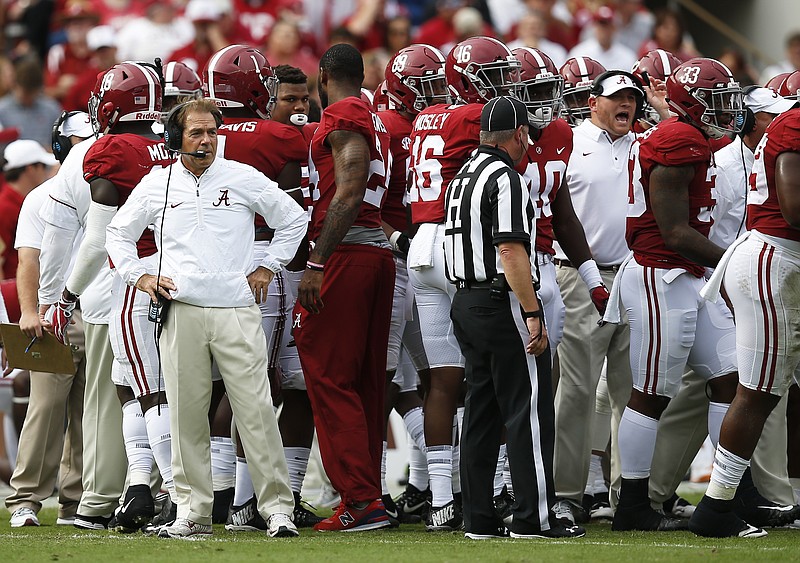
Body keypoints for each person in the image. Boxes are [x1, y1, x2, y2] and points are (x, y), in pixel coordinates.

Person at [105, 97, 306, 539]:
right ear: (176, 139)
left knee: (255, 410)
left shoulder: (241, 176)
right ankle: (190, 512)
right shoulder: (157, 183)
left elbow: (293, 218)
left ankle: (277, 510)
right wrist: (138, 275)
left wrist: (268, 265)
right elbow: (118, 232)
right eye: (196, 133)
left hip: (236, 307)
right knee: (185, 414)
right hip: (182, 309)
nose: (205, 141)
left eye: (212, 132)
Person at [609, 57, 745, 532]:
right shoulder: (679, 138)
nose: (727, 109)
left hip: (685, 275)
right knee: (651, 393)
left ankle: (726, 496)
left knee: (730, 376)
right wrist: (734, 260)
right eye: (718, 99)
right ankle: (632, 505)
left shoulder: (681, 131)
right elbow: (674, 231)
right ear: (692, 101)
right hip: (660, 274)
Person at [445, 95, 583, 540]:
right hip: (499, 300)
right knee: (529, 410)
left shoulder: (464, 173)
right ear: (520, 134)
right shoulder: (506, 177)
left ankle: (479, 520)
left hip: (465, 301)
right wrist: (531, 311)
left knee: (481, 413)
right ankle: (534, 520)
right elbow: (509, 249)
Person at [406, 36, 520, 531]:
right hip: (459, 241)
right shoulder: (476, 117)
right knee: (487, 372)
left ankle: (440, 500)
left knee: (442, 380)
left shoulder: (426, 117)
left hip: (419, 244)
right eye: (497, 73)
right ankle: (493, 489)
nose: (506, 83)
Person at [201, 44, 312, 530]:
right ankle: (249, 498)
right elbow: (293, 213)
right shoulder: (280, 136)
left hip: (215, 264)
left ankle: (229, 495)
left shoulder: (201, 133)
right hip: (269, 261)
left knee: (236, 381)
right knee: (275, 381)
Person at [293, 43, 395, 532]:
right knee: (363, 381)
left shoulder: (344, 112)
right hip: (373, 251)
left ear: (323, 76)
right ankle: (366, 493)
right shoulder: (373, 115)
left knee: (331, 375)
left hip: (347, 254)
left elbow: (350, 188)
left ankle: (360, 498)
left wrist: (317, 259)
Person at [689, 101, 800, 537]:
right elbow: (793, 208)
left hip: (784, 264)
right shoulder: (793, 126)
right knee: (757, 392)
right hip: (774, 264)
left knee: (765, 392)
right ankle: (715, 508)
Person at [550, 69, 653, 524]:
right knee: (576, 389)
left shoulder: (645, 145)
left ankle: (625, 496)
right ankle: (567, 493)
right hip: (577, 276)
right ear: (593, 103)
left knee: (631, 392)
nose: (625, 105)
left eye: (631, 97)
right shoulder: (569, 143)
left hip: (633, 276)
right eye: (616, 98)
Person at [5, 112, 92, 528]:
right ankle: (26, 498)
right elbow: (28, 259)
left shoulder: (110, 190)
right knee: (45, 407)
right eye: (79, 142)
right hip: (54, 314)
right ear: (61, 146)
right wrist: (28, 311)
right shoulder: (40, 197)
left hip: (99, 313)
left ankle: (76, 501)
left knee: (88, 412)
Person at [379, 43, 450, 521]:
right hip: (413, 252)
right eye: (425, 84)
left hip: (399, 253)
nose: (434, 93)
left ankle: (426, 485)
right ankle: (435, 484)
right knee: (431, 376)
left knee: (412, 379)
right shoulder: (431, 124)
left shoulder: (388, 124)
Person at [0, 140, 56, 280]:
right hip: (15, 294)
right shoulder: (4, 208)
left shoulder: (19, 202)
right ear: (31, 168)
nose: (47, 172)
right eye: (44, 167)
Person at [567, 6, 637, 72]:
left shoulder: (628, 56)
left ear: (614, 28)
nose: (603, 31)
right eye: (601, 26)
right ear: (594, 27)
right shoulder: (579, 53)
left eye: (607, 26)